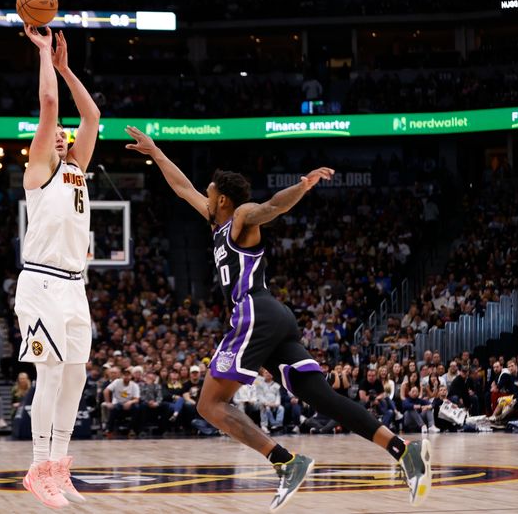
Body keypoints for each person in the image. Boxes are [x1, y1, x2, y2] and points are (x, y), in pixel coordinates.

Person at [125, 126, 431, 512]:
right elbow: (182, 186)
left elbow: (271, 207)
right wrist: (155, 152)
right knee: (319, 395)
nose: (203, 194)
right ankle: (404, 450)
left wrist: (301, 187)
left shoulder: (240, 217)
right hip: (274, 315)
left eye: (209, 191)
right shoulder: (216, 220)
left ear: (221, 198)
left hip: (254, 311)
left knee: (209, 405)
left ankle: (285, 462)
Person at [16, 26, 100, 509]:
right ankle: (38, 467)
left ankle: (60, 464)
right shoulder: (38, 172)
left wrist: (68, 69)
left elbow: (91, 115)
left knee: (76, 376)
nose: (61, 135)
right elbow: (50, 106)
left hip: (74, 287)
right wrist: (45, 53)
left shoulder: (77, 169)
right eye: (53, 135)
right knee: (48, 376)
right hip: (42, 284)